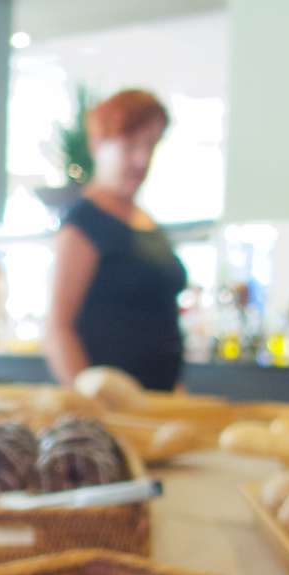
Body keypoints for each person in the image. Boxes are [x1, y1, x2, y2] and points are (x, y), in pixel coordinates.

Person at [45, 89, 187, 390]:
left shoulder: (146, 221)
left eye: (150, 146)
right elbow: (58, 329)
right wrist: (90, 409)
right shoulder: (83, 223)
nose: (141, 159)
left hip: (157, 404)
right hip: (110, 412)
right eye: (130, 145)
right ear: (98, 144)